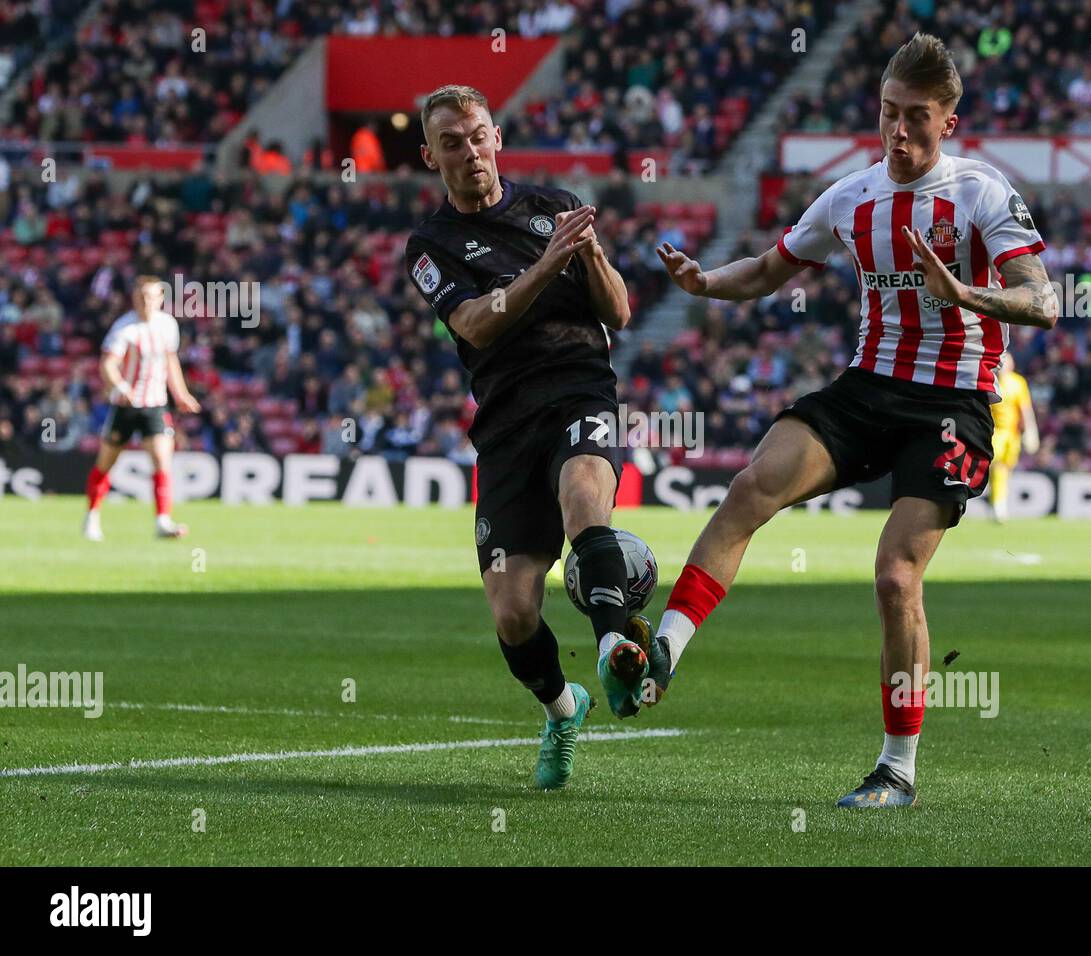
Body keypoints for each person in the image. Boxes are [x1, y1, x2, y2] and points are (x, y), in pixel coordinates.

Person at [651, 33, 1056, 808]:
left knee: (895, 576)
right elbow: (772, 269)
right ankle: (664, 650)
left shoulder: (981, 193)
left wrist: (967, 295)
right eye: (887, 114)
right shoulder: (852, 197)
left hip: (953, 403)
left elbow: (1044, 299)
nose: (898, 133)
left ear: (949, 121)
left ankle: (897, 769)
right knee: (751, 485)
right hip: (867, 385)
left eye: (916, 119)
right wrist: (705, 283)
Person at [404, 85, 645, 791]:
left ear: (498, 138)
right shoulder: (430, 245)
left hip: (580, 389)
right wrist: (547, 266)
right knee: (513, 614)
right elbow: (476, 324)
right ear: (430, 157)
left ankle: (614, 650)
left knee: (583, 501)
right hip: (506, 423)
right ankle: (564, 707)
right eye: (451, 142)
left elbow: (621, 313)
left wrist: (592, 253)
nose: (469, 151)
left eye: (477, 135)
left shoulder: (553, 208)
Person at [84, 276, 202, 541]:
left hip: (155, 405)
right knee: (106, 463)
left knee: (162, 459)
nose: (145, 301)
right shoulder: (124, 328)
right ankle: (92, 515)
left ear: (161, 298)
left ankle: (162, 520)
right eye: (140, 296)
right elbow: (108, 364)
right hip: (126, 405)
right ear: (133, 298)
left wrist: (181, 394)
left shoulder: (168, 325)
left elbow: (170, 362)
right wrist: (120, 387)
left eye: (150, 296)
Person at [989, 352, 1040, 522]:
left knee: (1004, 468)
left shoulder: (1018, 383)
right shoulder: (990, 380)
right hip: (994, 431)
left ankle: (999, 504)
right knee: (994, 465)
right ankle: (997, 504)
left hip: (1012, 434)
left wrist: (1031, 432)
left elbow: (1025, 409)